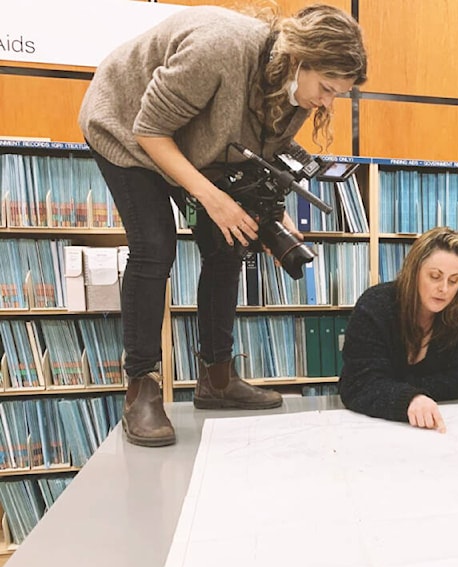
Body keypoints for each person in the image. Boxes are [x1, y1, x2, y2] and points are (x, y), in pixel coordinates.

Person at [78, 4, 367, 447]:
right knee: (155, 246)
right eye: (327, 88)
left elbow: (255, 149)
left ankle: (216, 378)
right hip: (126, 126)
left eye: (337, 94)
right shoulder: (217, 50)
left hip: (193, 141)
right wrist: (213, 200)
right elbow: (150, 130)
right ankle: (141, 386)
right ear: (299, 58)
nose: (327, 102)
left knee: (230, 244)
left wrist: (273, 213)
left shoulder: (297, 92)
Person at [339, 227, 458, 432]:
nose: (444, 289)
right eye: (435, 276)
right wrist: (409, 398)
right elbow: (358, 385)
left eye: (454, 280)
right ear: (414, 272)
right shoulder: (375, 306)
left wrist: (391, 387)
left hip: (442, 424)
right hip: (372, 428)